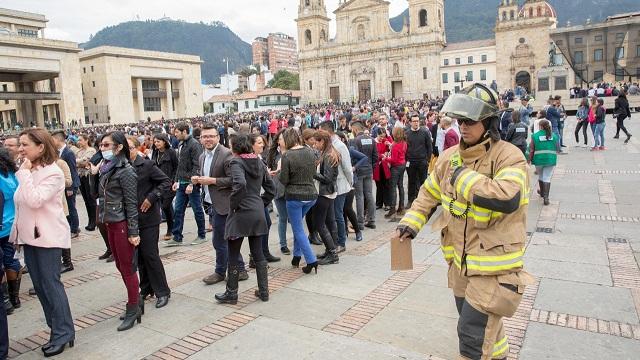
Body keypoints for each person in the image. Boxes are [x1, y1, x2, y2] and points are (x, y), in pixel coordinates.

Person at [394, 84, 534, 360]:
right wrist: (410, 223)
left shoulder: (508, 156)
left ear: (489, 122)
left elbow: (508, 197)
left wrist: (463, 177)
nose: (464, 127)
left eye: (471, 121)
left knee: (470, 335)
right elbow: (428, 194)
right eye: (461, 121)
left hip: (494, 268)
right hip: (460, 265)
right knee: (486, 332)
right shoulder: (449, 158)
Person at [11, 128, 75, 356]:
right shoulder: (29, 170)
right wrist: (16, 235)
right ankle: (56, 329)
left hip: (47, 238)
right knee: (40, 287)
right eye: (19, 144)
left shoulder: (52, 172)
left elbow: (35, 200)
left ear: (41, 147)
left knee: (50, 285)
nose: (20, 149)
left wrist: (25, 174)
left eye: (25, 144)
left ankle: (64, 332)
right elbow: (21, 205)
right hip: (29, 238)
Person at [215, 134, 275, 304]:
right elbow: (271, 189)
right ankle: (264, 292)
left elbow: (239, 184)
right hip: (257, 212)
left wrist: (233, 204)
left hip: (240, 212)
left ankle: (231, 293)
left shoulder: (236, 162)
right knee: (258, 254)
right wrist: (259, 203)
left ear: (235, 147)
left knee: (233, 253)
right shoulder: (258, 161)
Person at [96, 131, 142, 331]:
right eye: (101, 145)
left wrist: (133, 232)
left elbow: (132, 204)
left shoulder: (126, 171)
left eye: (106, 145)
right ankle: (136, 301)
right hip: (110, 222)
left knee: (128, 267)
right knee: (120, 266)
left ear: (119, 147)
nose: (102, 149)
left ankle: (133, 307)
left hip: (122, 224)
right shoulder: (107, 168)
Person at [192, 124, 249, 285]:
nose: (208, 139)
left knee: (220, 241)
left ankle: (220, 271)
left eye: (211, 136)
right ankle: (240, 269)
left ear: (218, 137)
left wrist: (212, 181)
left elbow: (235, 180)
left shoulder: (226, 154)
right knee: (227, 239)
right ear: (200, 139)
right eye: (204, 136)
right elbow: (207, 177)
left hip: (226, 205)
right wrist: (197, 180)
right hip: (211, 204)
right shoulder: (203, 156)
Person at [126, 136, 171, 309]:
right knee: (139, 256)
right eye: (125, 148)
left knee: (150, 254)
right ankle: (146, 288)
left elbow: (165, 182)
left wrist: (152, 197)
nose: (127, 151)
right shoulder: (121, 167)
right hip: (131, 219)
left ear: (138, 148)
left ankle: (163, 291)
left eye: (130, 148)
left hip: (148, 217)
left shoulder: (147, 165)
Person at [278, 128, 319, 274]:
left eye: (281, 138)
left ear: (287, 140)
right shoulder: (309, 151)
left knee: (298, 230)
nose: (279, 141)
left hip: (295, 198)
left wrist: (278, 172)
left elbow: (284, 180)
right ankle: (296, 256)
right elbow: (314, 173)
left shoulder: (287, 155)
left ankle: (311, 260)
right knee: (298, 226)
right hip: (312, 195)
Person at [167, 122, 206, 246]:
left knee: (197, 209)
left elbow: (197, 164)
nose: (175, 135)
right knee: (178, 210)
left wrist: (191, 183)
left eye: (177, 132)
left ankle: (201, 234)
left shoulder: (194, 144)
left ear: (184, 131)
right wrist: (177, 180)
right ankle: (177, 236)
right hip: (181, 183)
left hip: (191, 183)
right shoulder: (181, 144)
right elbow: (180, 165)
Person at [318, 122, 354, 252]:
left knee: (338, 214)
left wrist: (350, 183)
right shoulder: (327, 146)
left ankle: (341, 242)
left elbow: (347, 167)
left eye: (320, 132)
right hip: (331, 187)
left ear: (327, 132)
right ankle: (333, 241)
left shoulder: (339, 145)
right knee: (332, 215)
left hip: (341, 185)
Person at [249, 134, 281, 265]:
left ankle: (264, 252)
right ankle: (256, 256)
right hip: (257, 199)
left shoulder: (259, 157)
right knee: (259, 227)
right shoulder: (250, 159)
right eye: (258, 143)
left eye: (262, 142)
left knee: (266, 224)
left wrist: (267, 174)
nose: (262, 145)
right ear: (251, 145)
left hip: (262, 197)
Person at [311, 130, 340, 265]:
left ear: (322, 141)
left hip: (325, 193)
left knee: (320, 223)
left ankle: (332, 253)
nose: (315, 145)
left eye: (316, 142)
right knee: (328, 222)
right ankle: (330, 250)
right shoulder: (328, 153)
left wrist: (312, 173)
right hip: (328, 192)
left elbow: (327, 178)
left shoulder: (328, 155)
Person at [0, 149, 21, 314]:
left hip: (2, 224)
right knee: (11, 260)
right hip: (12, 224)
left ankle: (5, 300)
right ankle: (15, 298)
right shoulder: (13, 175)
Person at [266, 129, 291, 255]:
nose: (283, 140)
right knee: (283, 217)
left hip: (292, 189)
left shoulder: (293, 152)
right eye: (281, 138)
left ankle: (298, 242)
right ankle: (283, 244)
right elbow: (270, 170)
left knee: (295, 219)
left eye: (285, 138)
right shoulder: (274, 154)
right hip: (279, 189)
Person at [350, 121, 378, 230]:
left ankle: (360, 222)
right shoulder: (371, 140)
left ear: (355, 129)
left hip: (358, 170)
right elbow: (376, 156)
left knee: (360, 196)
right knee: (369, 195)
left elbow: (353, 157)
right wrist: (371, 167)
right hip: (368, 170)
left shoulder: (355, 141)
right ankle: (371, 220)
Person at [151, 133, 179, 241]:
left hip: (169, 183)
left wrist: (174, 180)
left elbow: (177, 167)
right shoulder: (155, 153)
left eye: (158, 141)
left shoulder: (171, 152)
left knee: (166, 206)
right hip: (158, 184)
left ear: (164, 141)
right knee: (166, 207)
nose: (156, 143)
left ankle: (171, 228)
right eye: (155, 142)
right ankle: (173, 226)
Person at [405, 113, 433, 207]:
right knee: (411, 181)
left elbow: (429, 147)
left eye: (417, 121)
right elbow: (405, 148)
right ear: (410, 122)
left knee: (423, 182)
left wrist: (427, 160)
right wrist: (406, 160)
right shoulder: (407, 133)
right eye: (414, 121)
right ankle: (410, 200)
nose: (416, 123)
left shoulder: (425, 132)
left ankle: (423, 200)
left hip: (422, 161)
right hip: (411, 162)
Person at [529, 119, 558, 206]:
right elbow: (557, 147)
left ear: (540, 126)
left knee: (541, 175)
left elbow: (531, 149)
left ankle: (542, 193)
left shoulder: (535, 136)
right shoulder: (554, 135)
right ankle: (546, 197)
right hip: (550, 159)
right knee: (547, 177)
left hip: (539, 159)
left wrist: (529, 160)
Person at [384, 126, 408, 220]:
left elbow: (393, 160)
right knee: (400, 186)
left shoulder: (395, 145)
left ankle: (392, 208)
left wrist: (385, 158)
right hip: (402, 165)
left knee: (392, 187)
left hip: (396, 167)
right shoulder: (404, 142)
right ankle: (401, 207)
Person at [75, 134, 97, 231]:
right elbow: (77, 162)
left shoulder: (91, 150)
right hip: (81, 176)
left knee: (91, 198)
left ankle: (94, 221)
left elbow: (86, 162)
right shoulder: (79, 151)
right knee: (86, 200)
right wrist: (80, 162)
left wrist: (79, 162)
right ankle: (90, 220)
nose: (78, 142)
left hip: (88, 176)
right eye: (78, 140)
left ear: (86, 140)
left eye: (80, 140)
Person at [373, 128, 391, 211]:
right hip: (377, 166)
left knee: (386, 185)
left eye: (383, 136)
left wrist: (387, 151)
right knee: (379, 185)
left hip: (384, 165)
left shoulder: (385, 140)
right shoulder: (374, 142)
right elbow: (375, 153)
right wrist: (382, 156)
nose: (382, 138)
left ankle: (387, 203)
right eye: (380, 136)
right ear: (377, 135)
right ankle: (379, 203)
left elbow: (389, 149)